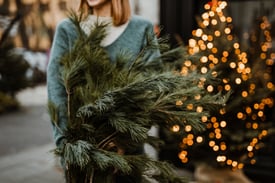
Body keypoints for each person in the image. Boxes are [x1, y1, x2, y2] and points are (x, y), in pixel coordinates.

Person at [47, 0, 160, 182]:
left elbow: (151, 90)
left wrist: (124, 142)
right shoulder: (67, 29)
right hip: (81, 157)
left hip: (127, 158)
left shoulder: (142, 29)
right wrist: (67, 147)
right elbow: (57, 92)